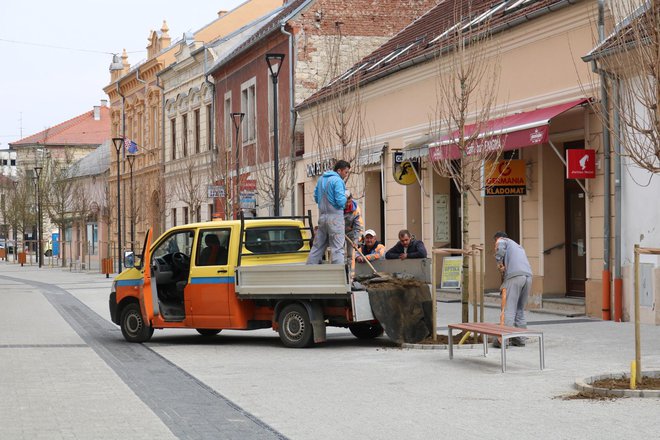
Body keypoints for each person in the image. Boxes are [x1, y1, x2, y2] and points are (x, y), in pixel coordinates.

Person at [493, 231, 532, 348]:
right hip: (528, 277)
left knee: (508, 309)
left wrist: (499, 262)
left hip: (515, 277)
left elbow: (499, 249)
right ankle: (520, 339)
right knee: (519, 309)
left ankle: (503, 340)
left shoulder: (501, 240)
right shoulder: (518, 246)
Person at [307, 160, 351, 264]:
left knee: (317, 247)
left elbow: (316, 198)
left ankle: (309, 271)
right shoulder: (337, 181)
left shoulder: (321, 179)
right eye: (346, 172)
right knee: (337, 248)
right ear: (339, 170)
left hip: (322, 217)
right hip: (335, 218)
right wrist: (346, 195)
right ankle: (338, 276)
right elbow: (340, 202)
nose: (346, 175)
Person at [343, 191, 364, 264]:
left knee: (351, 254)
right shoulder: (337, 208)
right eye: (346, 203)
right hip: (339, 232)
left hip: (351, 233)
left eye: (349, 202)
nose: (348, 204)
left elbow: (358, 227)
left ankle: (350, 271)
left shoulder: (355, 209)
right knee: (339, 253)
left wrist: (356, 241)